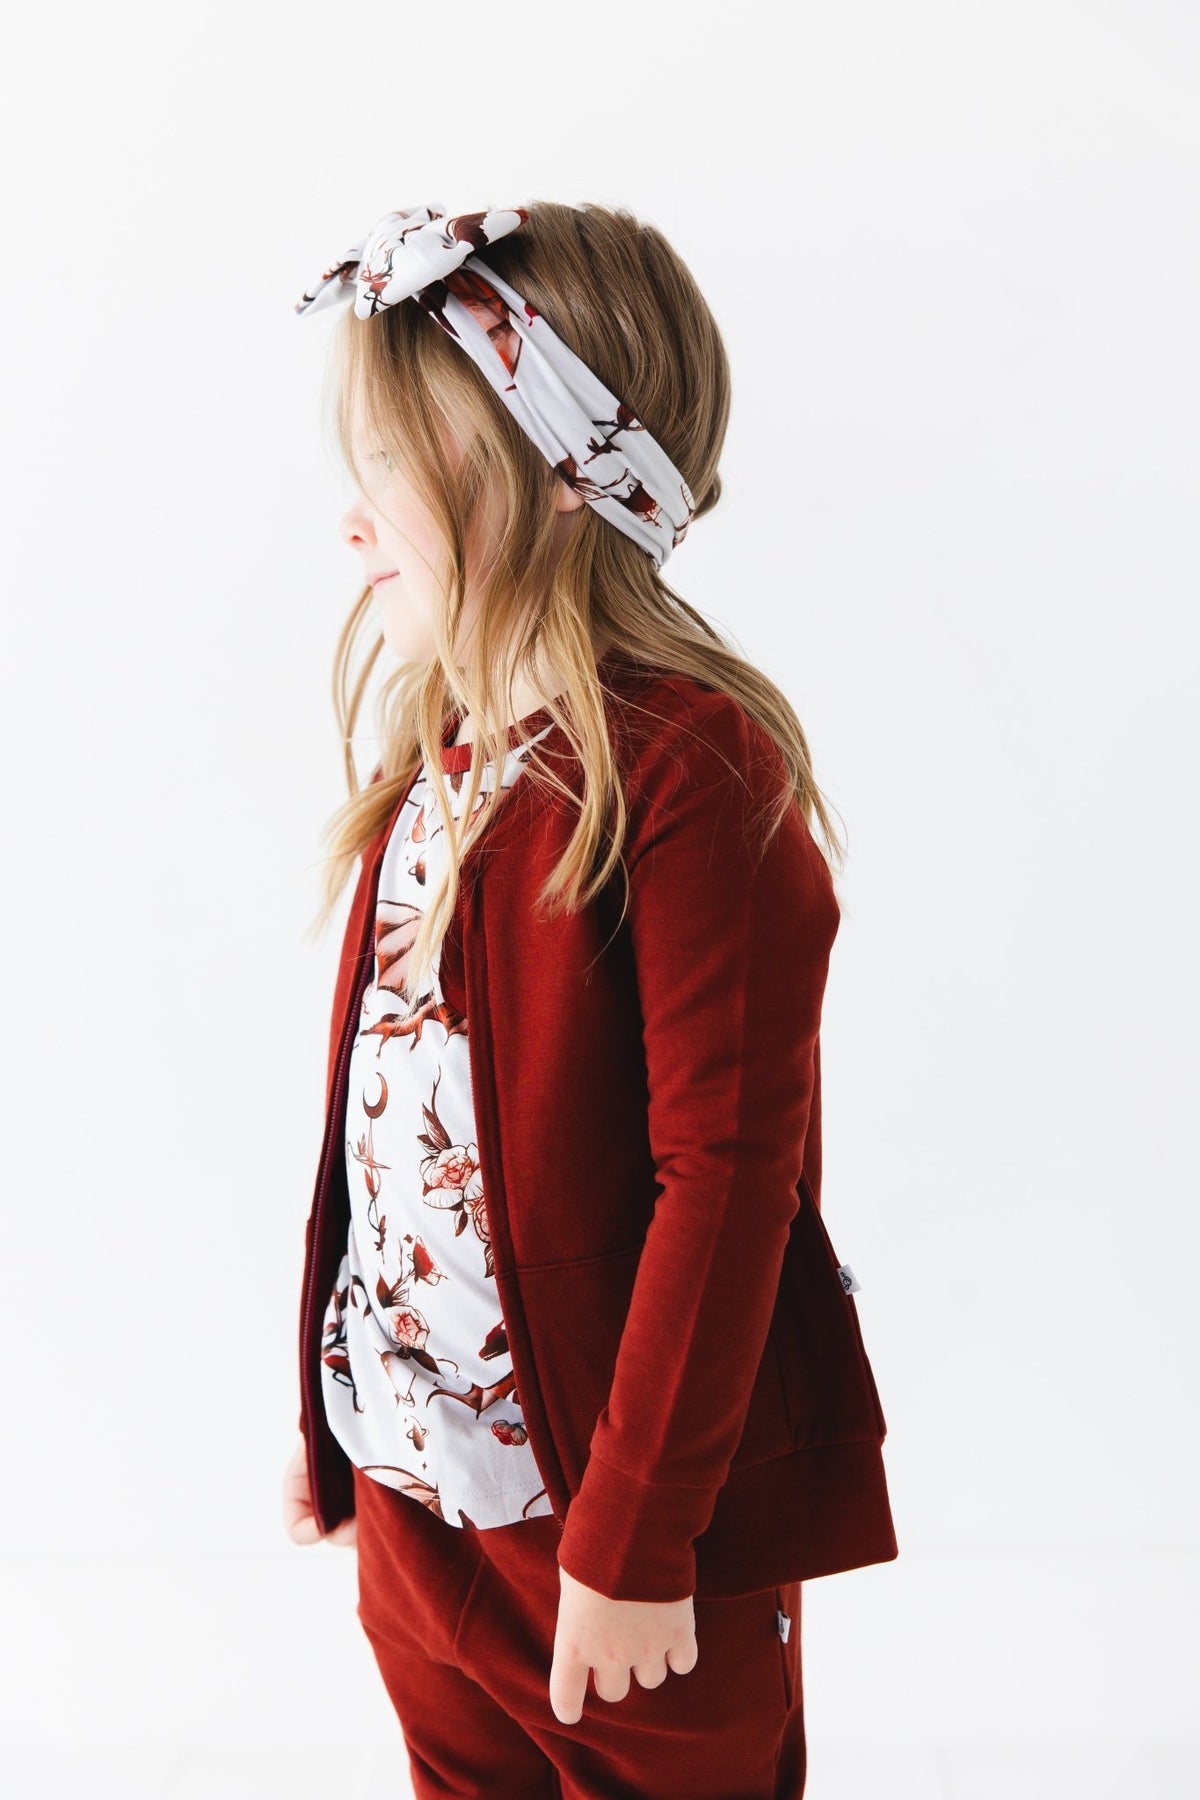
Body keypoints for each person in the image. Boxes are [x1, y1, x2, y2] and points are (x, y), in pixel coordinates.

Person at [280, 199, 898, 1799]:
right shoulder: (443, 768)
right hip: (423, 1505)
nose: (352, 523)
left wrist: (633, 1540)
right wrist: (332, 1398)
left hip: (619, 1523)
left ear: (551, 484)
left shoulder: (691, 775)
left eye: (391, 475)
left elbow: (729, 1186)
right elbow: (391, 1142)